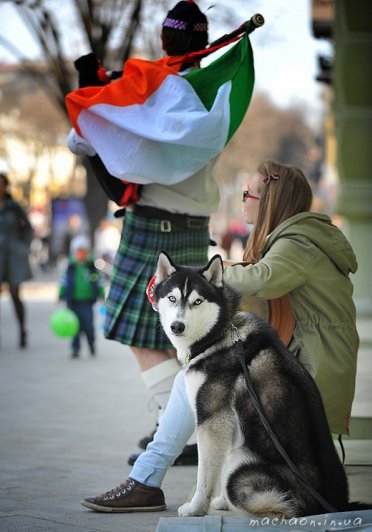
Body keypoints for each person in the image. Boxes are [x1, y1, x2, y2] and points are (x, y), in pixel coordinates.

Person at [80, 160, 359, 513]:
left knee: (195, 377)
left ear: (270, 199)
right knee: (197, 374)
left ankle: (148, 480)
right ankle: (150, 478)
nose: (243, 198)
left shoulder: (298, 242)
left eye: (248, 192)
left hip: (305, 370)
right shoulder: (291, 238)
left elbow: (260, 279)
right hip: (296, 361)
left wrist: (200, 280)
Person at [0, 172, 33, 349]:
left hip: (13, 256)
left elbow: (28, 228)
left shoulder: (13, 207)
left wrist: (23, 247)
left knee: (14, 293)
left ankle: (22, 331)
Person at [58, 234, 105, 358]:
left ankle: (91, 345)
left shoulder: (91, 269)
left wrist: (101, 295)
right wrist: (60, 295)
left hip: (87, 303)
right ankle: (75, 348)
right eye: (79, 252)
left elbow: (98, 282)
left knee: (89, 326)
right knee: (75, 328)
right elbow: (64, 283)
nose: (81, 255)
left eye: (84, 252)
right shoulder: (70, 268)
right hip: (73, 302)